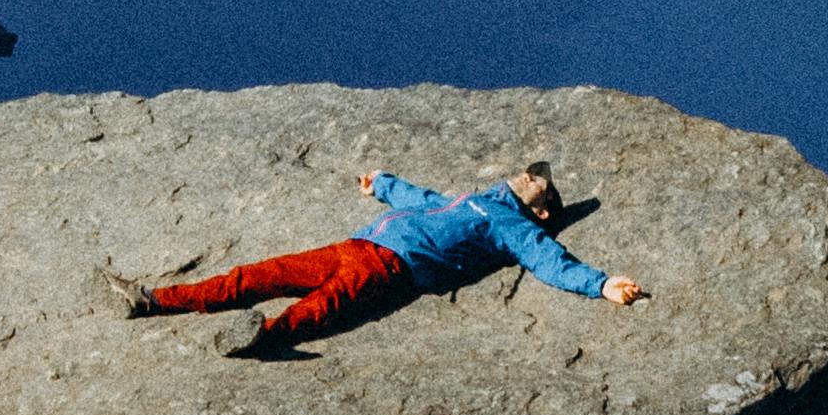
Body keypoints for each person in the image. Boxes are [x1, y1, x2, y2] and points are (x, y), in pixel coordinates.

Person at [106, 158, 649, 357]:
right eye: (533, 172)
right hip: (355, 244)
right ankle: (153, 300)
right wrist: (381, 183)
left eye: (540, 185)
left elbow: (549, 261)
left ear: (544, 212)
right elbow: (419, 199)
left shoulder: (512, 227)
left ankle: (264, 339)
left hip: (390, 267)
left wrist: (601, 284)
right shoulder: (471, 201)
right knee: (259, 273)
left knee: (324, 306)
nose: (532, 176)